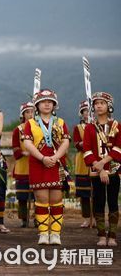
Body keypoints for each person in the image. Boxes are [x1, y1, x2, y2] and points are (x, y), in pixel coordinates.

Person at [23, 89, 70, 245]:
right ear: (37, 105)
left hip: (57, 164)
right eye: (43, 101)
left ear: (54, 105)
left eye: (50, 101)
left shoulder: (61, 123)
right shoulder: (30, 123)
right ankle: (43, 233)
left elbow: (66, 142)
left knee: (57, 198)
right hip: (38, 163)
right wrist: (42, 158)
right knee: (42, 198)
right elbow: (28, 143)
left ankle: (56, 234)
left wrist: (55, 157)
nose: (47, 104)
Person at [82, 92, 120, 246]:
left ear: (108, 106)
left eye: (102, 103)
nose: (98, 106)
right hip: (96, 171)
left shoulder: (116, 126)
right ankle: (101, 235)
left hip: (114, 170)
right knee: (98, 202)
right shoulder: (90, 128)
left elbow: (118, 149)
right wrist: (100, 170)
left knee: (112, 202)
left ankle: (112, 236)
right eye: (96, 103)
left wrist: (103, 163)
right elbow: (87, 150)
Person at [11, 102, 35, 227]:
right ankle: (24, 219)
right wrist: (23, 152)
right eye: (27, 112)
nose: (30, 114)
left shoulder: (39, 128)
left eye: (32, 112)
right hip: (22, 166)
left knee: (38, 196)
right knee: (22, 196)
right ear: (23, 114)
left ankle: (38, 219)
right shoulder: (18, 130)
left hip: (36, 165)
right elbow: (15, 148)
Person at [73, 100, 93, 228]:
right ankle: (86, 218)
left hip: (96, 161)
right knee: (84, 194)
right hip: (82, 161)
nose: (88, 113)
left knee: (97, 194)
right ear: (82, 113)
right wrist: (86, 143)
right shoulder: (78, 128)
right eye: (85, 111)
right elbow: (77, 144)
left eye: (90, 111)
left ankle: (96, 218)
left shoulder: (99, 126)